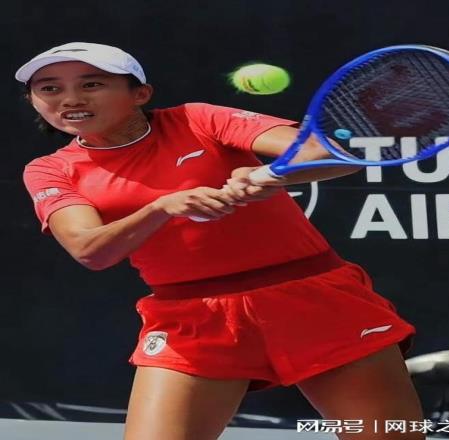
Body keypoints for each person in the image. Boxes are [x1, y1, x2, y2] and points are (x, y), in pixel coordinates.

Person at [17, 42, 425, 440]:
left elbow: (327, 155)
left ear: (140, 93)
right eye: (49, 88)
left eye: (91, 84)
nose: (70, 99)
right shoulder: (50, 170)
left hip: (315, 299)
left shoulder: (197, 119)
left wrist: (271, 176)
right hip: (193, 320)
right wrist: (162, 207)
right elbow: (89, 249)